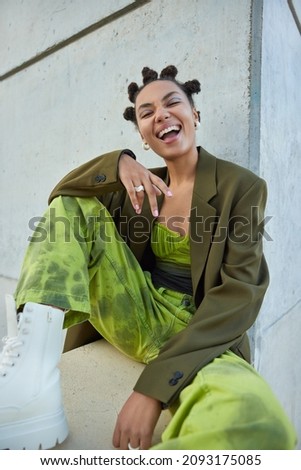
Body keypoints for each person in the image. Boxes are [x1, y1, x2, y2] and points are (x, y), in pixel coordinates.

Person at [0, 65, 297, 450]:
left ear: (195, 115)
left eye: (173, 102)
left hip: (203, 332)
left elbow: (242, 291)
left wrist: (153, 388)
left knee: (260, 429)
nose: (161, 114)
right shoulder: (135, 186)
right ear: (142, 134)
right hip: (138, 306)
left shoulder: (241, 186)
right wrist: (117, 162)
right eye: (146, 112)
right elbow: (64, 195)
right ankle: (31, 378)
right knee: (76, 209)